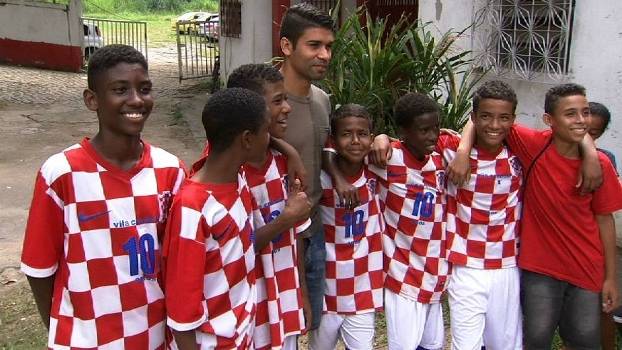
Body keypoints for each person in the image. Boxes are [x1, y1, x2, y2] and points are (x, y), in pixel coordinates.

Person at [20, 44, 186, 349]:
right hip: (85, 340)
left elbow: (178, 262)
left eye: (144, 88)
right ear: (92, 100)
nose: (136, 99)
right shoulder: (61, 174)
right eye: (120, 89)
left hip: (154, 337)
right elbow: (39, 269)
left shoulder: (170, 170)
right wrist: (64, 330)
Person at [452, 83, 622, 349]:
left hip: (586, 268)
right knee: (536, 338)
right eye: (570, 114)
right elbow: (481, 120)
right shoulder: (532, 146)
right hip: (539, 268)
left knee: (585, 338)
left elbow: (605, 220)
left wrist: (610, 277)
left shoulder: (600, 166)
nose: (580, 120)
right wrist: (463, 151)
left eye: (585, 112)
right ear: (548, 120)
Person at [163, 88, 271, 348]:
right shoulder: (192, 208)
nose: (271, 138)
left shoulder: (238, 178)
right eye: (266, 131)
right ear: (246, 139)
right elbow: (181, 312)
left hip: (242, 334)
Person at [226, 63, 312, 349]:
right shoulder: (223, 174)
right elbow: (231, 251)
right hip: (246, 313)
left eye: (285, 98)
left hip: (285, 303)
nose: (287, 108)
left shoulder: (284, 164)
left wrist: (302, 296)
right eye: (278, 101)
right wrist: (284, 220)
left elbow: (296, 238)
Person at [443, 81, 522, 349]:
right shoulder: (449, 148)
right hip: (466, 266)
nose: (494, 125)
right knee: (466, 344)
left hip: (507, 266)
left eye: (503, 118)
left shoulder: (521, 153)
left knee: (505, 344)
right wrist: (463, 149)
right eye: (486, 116)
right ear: (474, 117)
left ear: (513, 120)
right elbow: (404, 143)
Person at [369, 93, 452, 350]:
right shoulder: (386, 160)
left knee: (433, 344)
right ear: (403, 131)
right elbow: (342, 148)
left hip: (434, 272)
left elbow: (473, 131)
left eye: (435, 128)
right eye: (424, 130)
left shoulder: (441, 158)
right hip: (401, 274)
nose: (432, 136)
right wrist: (379, 138)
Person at [309, 104, 384, 349]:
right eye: (346, 134)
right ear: (333, 139)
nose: (355, 141)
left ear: (371, 139)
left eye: (362, 134)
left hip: (363, 293)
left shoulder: (377, 171)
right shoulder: (319, 180)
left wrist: (384, 139)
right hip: (326, 294)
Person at [587, 101, 617, 172]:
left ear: (600, 133)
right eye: (581, 129)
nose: (585, 137)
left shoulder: (606, 157)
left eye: (592, 133)